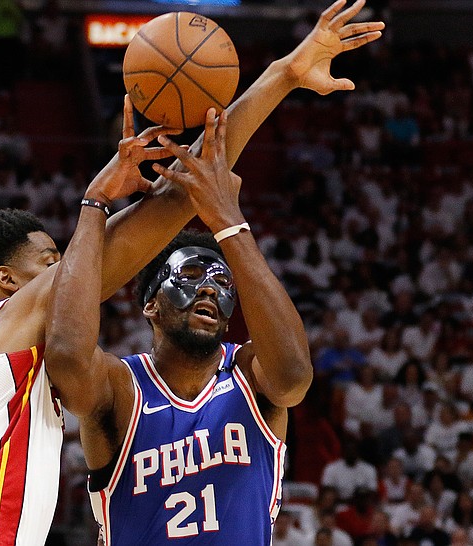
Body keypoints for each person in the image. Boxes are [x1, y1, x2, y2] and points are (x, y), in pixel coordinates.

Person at [0, 1, 384, 543]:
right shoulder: (17, 325)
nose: (72, 276)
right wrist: (95, 202)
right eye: (52, 264)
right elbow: (167, 211)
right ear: (9, 282)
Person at [45, 98, 312, 546]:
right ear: (150, 304)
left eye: (222, 281)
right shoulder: (120, 385)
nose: (210, 288)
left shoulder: (249, 375)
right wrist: (96, 203)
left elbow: (295, 376)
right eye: (190, 275)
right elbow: (67, 359)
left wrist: (228, 222)